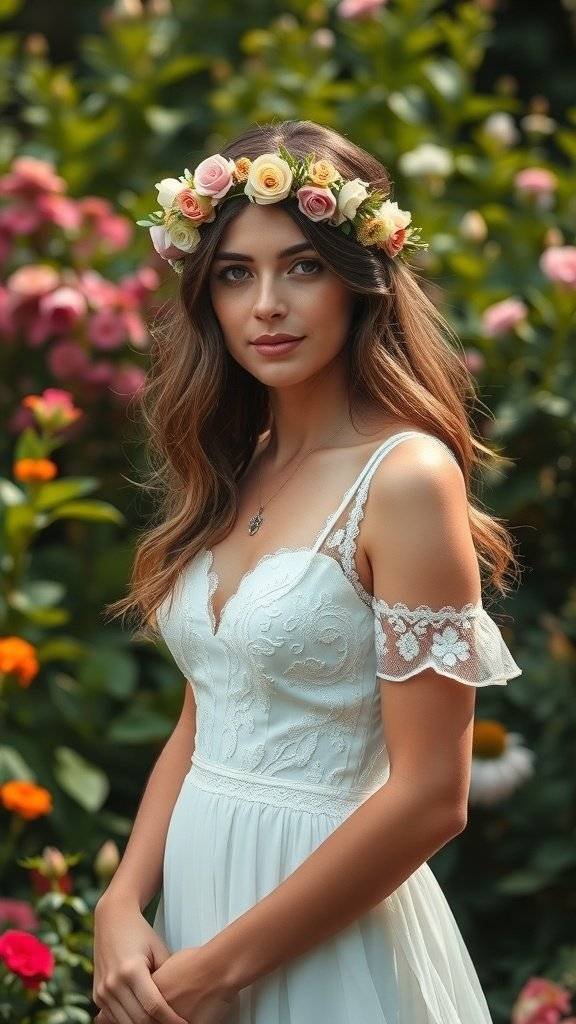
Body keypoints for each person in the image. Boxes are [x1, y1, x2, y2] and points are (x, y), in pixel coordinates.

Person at [93, 119, 523, 1024]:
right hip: (197, 913)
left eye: (303, 266)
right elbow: (209, 709)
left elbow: (431, 798)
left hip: (321, 931)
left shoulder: (404, 480)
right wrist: (122, 902)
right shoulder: (235, 464)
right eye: (235, 274)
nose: (266, 306)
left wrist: (222, 971)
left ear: (361, 281)